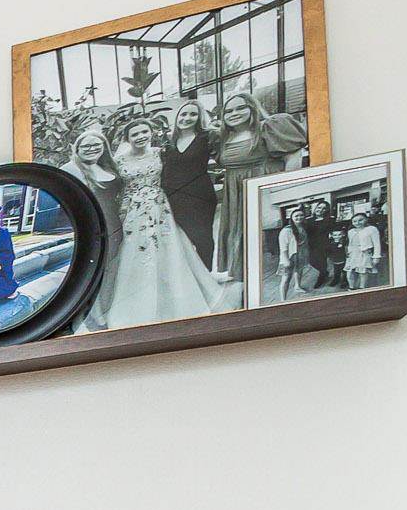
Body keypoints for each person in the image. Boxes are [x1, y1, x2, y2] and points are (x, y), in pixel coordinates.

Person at [87, 104, 235, 330]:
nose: (140, 137)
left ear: (151, 134)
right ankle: (133, 306)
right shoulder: (120, 161)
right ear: (127, 138)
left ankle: (176, 299)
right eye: (135, 134)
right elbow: (113, 185)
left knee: (169, 251)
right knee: (133, 253)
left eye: (144, 132)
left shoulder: (160, 153)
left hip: (160, 208)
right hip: (133, 210)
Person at [215, 90, 311, 236]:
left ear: (253, 108)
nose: (234, 113)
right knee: (239, 235)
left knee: (266, 236)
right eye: (228, 111)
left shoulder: (268, 127)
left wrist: (284, 190)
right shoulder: (223, 137)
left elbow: (292, 158)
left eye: (240, 108)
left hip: (263, 190)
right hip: (235, 194)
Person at [159, 97, 226, 271]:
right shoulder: (168, 141)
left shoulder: (207, 136)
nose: (187, 118)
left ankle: (206, 274)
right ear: (177, 116)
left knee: (202, 238)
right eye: (184, 114)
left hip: (200, 196)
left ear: (199, 117)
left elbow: (223, 157)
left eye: (193, 114)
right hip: (173, 197)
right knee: (180, 239)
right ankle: (188, 278)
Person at [346, 208, 386, 291]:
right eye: (355, 221)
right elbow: (350, 243)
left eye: (361, 220)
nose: (357, 223)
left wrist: (376, 256)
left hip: (365, 253)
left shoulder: (372, 229)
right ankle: (351, 287)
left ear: (366, 219)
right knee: (350, 272)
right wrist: (348, 253)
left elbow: (377, 244)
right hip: (353, 254)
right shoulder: (351, 231)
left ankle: (362, 288)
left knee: (363, 272)